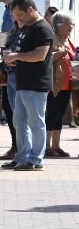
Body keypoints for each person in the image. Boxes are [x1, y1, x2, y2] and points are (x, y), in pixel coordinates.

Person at [2, 0, 53, 171]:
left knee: (36, 123)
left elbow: (40, 55)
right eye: (16, 16)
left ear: (30, 9)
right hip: (22, 82)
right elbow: (22, 51)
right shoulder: (27, 28)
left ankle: (36, 159)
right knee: (20, 122)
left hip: (36, 83)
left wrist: (16, 56)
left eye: (20, 15)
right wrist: (11, 57)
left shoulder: (42, 29)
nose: (18, 19)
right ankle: (22, 156)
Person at [48, 11, 75, 158]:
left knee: (59, 117)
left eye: (72, 24)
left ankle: (56, 146)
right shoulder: (52, 39)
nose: (71, 27)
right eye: (67, 24)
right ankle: (46, 147)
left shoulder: (69, 40)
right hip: (54, 84)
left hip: (67, 85)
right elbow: (46, 58)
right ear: (57, 25)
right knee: (51, 115)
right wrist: (60, 53)